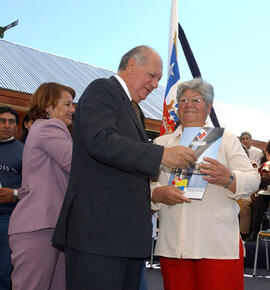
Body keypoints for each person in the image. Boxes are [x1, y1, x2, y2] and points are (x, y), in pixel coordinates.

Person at [52, 45, 197, 290]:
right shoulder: (102, 89)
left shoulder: (134, 109)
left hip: (124, 237)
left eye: (159, 79)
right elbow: (101, 141)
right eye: (152, 76)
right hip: (99, 235)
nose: (154, 84)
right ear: (131, 65)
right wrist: (161, 154)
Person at [151, 78, 260, 290]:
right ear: (177, 107)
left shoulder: (226, 139)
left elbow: (253, 178)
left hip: (217, 246)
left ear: (208, 107)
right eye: (183, 100)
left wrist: (229, 178)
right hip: (174, 247)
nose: (189, 104)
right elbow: (147, 186)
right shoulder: (161, 144)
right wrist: (157, 194)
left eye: (196, 100)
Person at [8, 82, 75, 290]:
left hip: (51, 227)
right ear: (48, 107)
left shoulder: (41, 130)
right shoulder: (49, 126)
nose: (72, 110)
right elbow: (76, 164)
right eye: (67, 104)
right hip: (40, 226)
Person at [0, 106, 24, 290]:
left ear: (17, 126)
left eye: (11, 122)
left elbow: (33, 186)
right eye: (2, 121)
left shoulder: (24, 151)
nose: (6, 126)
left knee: (4, 272)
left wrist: (13, 193)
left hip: (8, 219)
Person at [246, 140, 270, 241]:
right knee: (258, 201)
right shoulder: (265, 165)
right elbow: (259, 183)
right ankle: (254, 232)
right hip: (266, 193)